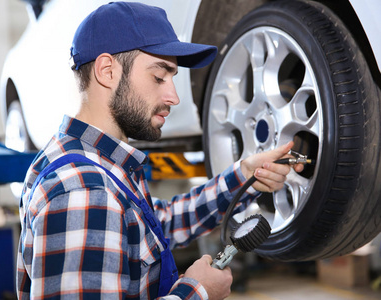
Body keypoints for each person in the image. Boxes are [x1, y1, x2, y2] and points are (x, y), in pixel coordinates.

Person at [16, 2, 303, 299]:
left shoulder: (86, 161)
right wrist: (196, 292)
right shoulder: (84, 192)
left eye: (173, 78)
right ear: (107, 71)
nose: (174, 96)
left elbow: (155, 224)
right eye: (158, 76)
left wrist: (244, 175)